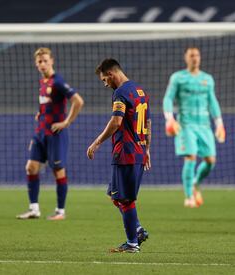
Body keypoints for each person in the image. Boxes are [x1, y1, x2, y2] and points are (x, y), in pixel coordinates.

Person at [87, 58, 151, 253]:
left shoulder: (121, 92)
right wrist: (147, 149)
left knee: (125, 200)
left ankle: (132, 243)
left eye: (104, 80)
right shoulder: (140, 92)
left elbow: (116, 122)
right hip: (139, 151)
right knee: (115, 196)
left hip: (126, 153)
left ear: (111, 74)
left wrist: (97, 141)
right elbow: (148, 123)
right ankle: (137, 230)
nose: (105, 84)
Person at [17, 47, 84, 220]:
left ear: (52, 61)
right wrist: (40, 113)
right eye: (40, 61)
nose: (43, 64)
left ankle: (60, 211)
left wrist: (66, 122)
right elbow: (46, 105)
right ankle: (34, 209)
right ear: (36, 64)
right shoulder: (42, 83)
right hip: (40, 133)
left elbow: (78, 101)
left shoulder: (58, 82)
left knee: (58, 171)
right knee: (31, 167)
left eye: (46, 60)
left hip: (56, 134)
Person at [163, 46, 226, 208]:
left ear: (200, 57)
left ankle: (195, 182)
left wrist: (219, 123)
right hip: (186, 125)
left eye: (197, 55)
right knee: (190, 157)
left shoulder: (207, 79)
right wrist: (169, 119)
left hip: (204, 125)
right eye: (191, 55)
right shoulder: (178, 78)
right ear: (186, 58)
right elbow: (168, 99)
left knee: (210, 161)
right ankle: (189, 196)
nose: (195, 58)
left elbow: (213, 102)